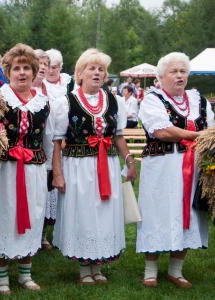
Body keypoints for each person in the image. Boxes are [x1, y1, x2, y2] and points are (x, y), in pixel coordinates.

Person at [52, 48, 137, 285]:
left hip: (107, 165)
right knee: (83, 212)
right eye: (92, 68)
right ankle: (83, 268)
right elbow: (57, 141)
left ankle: (98, 264)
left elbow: (118, 136)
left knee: (104, 211)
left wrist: (129, 161)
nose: (97, 73)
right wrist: (57, 173)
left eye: (101, 69)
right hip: (77, 166)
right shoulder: (65, 102)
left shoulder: (115, 101)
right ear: (79, 74)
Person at [0, 43, 53, 295]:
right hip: (2, 170)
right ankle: (1, 277)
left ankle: (25, 274)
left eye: (27, 69)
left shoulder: (43, 102)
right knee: (3, 216)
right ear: (8, 72)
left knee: (31, 216)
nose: (22, 73)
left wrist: (52, 170)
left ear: (34, 72)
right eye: (17, 69)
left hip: (33, 170)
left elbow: (48, 138)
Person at [136, 52, 215, 287]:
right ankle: (150, 271)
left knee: (187, 214)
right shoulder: (152, 99)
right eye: (174, 71)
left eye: (183, 71)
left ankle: (175, 271)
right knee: (157, 212)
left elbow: (213, 128)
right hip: (162, 167)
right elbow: (162, 131)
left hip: (193, 168)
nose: (180, 76)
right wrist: (199, 136)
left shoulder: (199, 101)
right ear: (160, 76)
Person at [32, 49, 62, 250]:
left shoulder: (55, 93)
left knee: (45, 193)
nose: (43, 67)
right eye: (39, 63)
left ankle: (42, 235)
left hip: (50, 148)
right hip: (29, 148)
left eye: (46, 63)